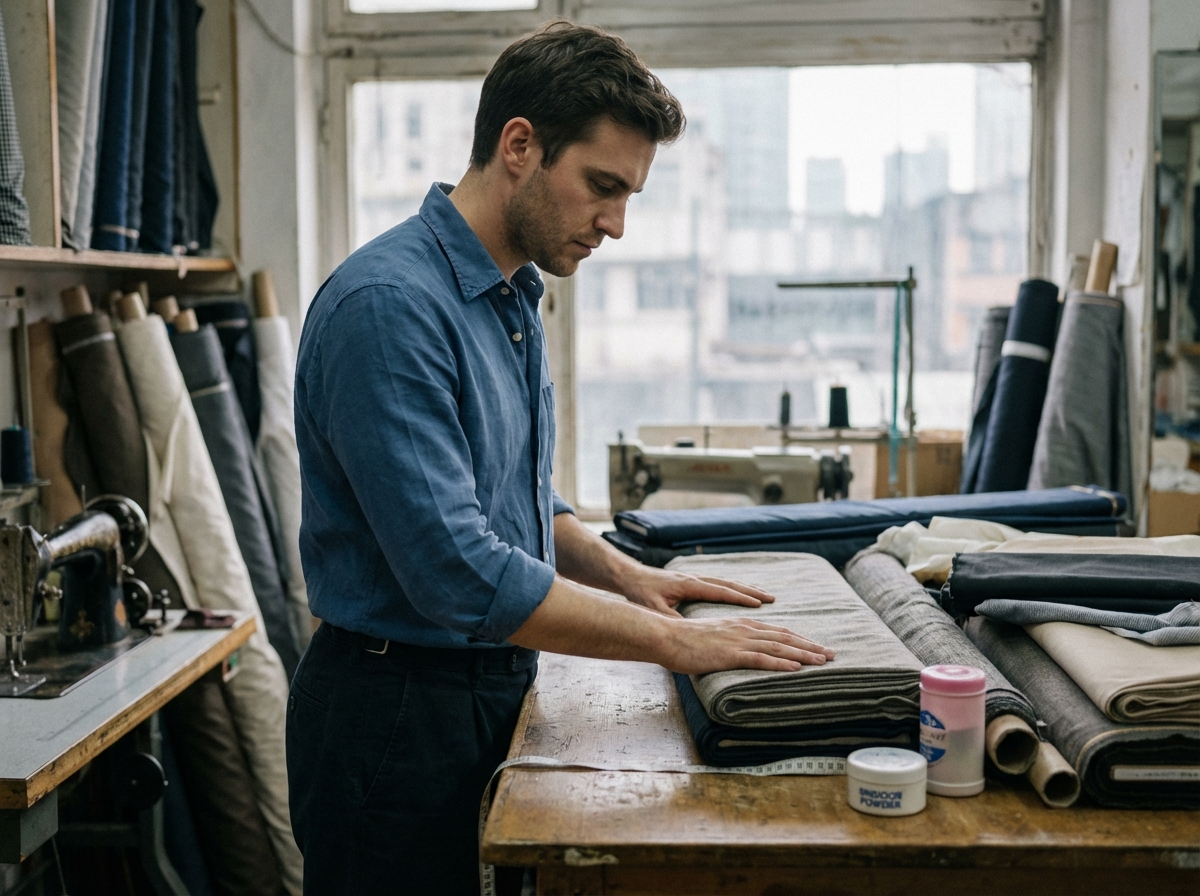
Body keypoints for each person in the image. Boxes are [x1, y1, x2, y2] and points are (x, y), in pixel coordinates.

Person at [287, 20, 835, 895]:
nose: (615, 225)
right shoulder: (389, 309)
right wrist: (672, 645)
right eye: (601, 187)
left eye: (629, 197)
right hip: (394, 715)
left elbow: (518, 494)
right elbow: (458, 571)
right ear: (519, 146)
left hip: (477, 687)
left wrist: (631, 578)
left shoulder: (510, 295)